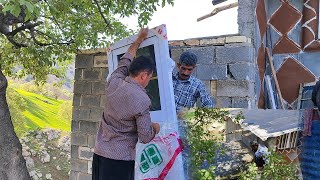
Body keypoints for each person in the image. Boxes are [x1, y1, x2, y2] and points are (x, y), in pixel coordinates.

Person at [92, 28, 160, 180]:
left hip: (99, 153)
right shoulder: (142, 100)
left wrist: (139, 39)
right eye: (150, 77)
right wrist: (155, 128)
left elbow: (126, 59)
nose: (149, 81)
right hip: (119, 161)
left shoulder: (114, 80)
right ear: (144, 75)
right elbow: (145, 137)